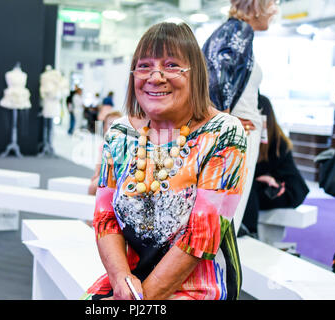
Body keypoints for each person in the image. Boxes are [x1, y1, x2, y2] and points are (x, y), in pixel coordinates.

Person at [82, 21, 247, 301]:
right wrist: (121, 280)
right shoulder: (120, 134)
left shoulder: (224, 133)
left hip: (197, 285)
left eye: (171, 65)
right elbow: (105, 218)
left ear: (195, 74)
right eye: (144, 66)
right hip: (129, 280)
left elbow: (201, 238)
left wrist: (139, 301)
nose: (155, 77)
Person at [202, 0, 279, 233]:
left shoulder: (231, 30)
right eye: (273, 2)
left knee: (224, 211)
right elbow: (217, 80)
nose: (275, 9)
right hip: (239, 134)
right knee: (227, 214)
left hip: (237, 130)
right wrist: (226, 121)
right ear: (257, 5)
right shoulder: (239, 30)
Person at [240, 94, 309, 237]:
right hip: (272, 185)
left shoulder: (276, 143)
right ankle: (248, 230)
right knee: (248, 186)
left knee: (248, 189)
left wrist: (264, 178)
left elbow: (254, 171)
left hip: (287, 191)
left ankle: (250, 231)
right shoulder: (267, 139)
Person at [88, 110, 123, 196]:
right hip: (105, 174)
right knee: (92, 187)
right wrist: (97, 173)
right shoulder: (104, 144)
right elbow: (99, 161)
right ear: (105, 128)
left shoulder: (124, 143)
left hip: (120, 176)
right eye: (111, 124)